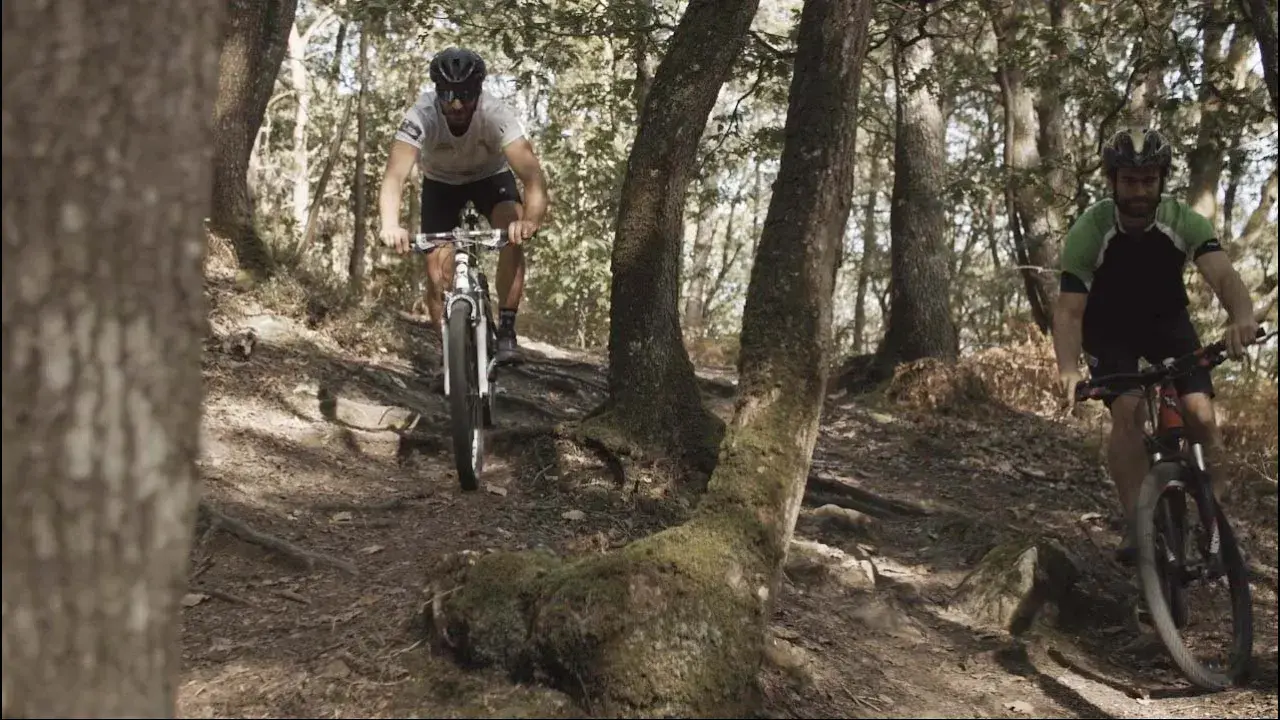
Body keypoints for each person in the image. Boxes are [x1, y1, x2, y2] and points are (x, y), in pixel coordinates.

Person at [1053, 126, 1258, 565]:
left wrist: (1242, 318)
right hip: (1108, 330)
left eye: (1148, 180)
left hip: (1167, 323)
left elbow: (1223, 276)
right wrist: (1068, 367)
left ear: (1162, 180)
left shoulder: (1183, 221)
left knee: (1200, 413)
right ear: (1113, 181)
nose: (1139, 190)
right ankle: (1139, 525)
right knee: (1126, 413)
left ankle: (1214, 513)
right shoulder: (1090, 230)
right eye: (1130, 180)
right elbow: (1069, 311)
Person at [378, 47, 549, 366]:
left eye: (466, 95)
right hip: (441, 184)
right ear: (437, 92)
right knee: (436, 271)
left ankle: (508, 330)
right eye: (448, 95)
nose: (456, 104)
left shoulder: (496, 115)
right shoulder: (421, 115)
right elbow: (394, 177)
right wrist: (390, 223)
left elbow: (533, 177)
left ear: (479, 91)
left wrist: (530, 221)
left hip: (490, 177)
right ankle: (450, 356)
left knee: (512, 227)